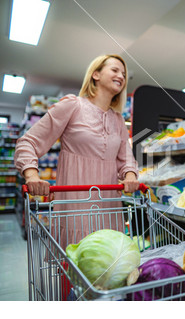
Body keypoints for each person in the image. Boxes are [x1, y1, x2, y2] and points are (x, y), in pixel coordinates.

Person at [15, 54, 140, 249]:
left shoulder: (118, 120)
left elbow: (126, 159)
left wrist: (130, 175)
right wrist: (31, 175)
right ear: (96, 74)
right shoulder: (72, 105)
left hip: (109, 206)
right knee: (76, 262)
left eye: (124, 74)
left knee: (107, 264)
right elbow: (28, 142)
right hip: (75, 206)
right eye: (115, 70)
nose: (121, 76)